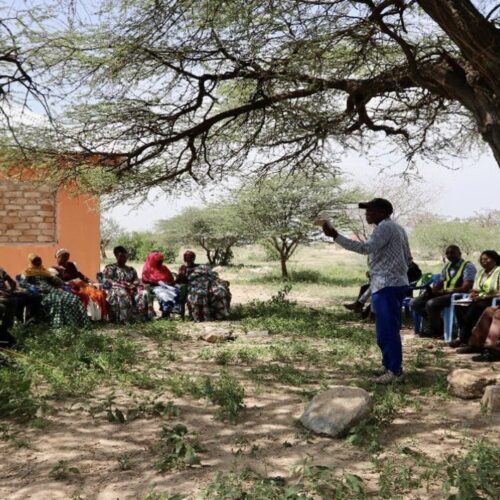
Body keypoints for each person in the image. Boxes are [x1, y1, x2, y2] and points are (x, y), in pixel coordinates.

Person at [322, 198, 412, 384]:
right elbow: (408, 258)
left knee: (388, 330)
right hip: (391, 284)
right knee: (384, 330)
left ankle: (395, 371)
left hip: (387, 286)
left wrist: (335, 236)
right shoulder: (398, 229)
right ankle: (388, 365)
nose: (366, 214)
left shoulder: (384, 228)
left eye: (370, 211)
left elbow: (365, 248)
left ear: (382, 212)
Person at [411, 245, 476, 338]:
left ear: (459, 254)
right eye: (447, 253)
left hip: (459, 295)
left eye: (452, 252)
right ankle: (439, 325)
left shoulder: (468, 266)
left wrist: (444, 291)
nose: (449, 255)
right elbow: (440, 282)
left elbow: (466, 287)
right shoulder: (447, 266)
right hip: (444, 294)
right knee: (415, 303)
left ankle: (434, 330)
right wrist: (433, 291)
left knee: (431, 303)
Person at [20, 254, 90, 329]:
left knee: (73, 298)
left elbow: (54, 280)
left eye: (39, 260)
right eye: (35, 261)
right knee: (58, 300)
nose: (38, 262)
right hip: (40, 292)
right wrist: (36, 288)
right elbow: (22, 283)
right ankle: (59, 326)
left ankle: (77, 324)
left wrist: (64, 284)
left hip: (52, 290)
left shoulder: (44, 270)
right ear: (31, 262)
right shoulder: (27, 272)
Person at [452, 250, 500, 351]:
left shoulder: (498, 271)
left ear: (495, 260)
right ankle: (467, 337)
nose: (483, 261)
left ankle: (464, 338)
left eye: (486, 259)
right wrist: (473, 293)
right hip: (479, 298)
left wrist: (485, 297)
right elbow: (475, 288)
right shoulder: (480, 272)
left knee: (475, 307)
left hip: (493, 299)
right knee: (459, 306)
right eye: (481, 259)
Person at [345, 262, 422, 318]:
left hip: (398, 288)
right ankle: (360, 307)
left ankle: (362, 307)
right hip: (389, 285)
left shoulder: (407, 266)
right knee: (366, 287)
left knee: (377, 289)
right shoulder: (399, 263)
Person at [52, 248, 108, 320]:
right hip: (70, 287)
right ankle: (89, 317)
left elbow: (81, 275)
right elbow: (58, 283)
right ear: (58, 257)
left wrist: (90, 282)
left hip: (81, 284)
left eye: (67, 256)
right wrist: (70, 284)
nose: (66, 258)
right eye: (63, 256)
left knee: (98, 294)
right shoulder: (54, 269)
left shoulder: (72, 265)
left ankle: (100, 317)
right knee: (85, 296)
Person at [175, 250, 231, 322]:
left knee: (220, 291)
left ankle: (221, 315)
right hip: (195, 287)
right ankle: (202, 316)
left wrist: (219, 281)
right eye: (187, 258)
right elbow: (179, 281)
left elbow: (213, 275)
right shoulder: (183, 269)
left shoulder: (202, 267)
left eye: (190, 258)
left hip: (209, 284)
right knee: (200, 293)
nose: (189, 260)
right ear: (184, 259)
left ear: (193, 258)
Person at [103, 246, 153, 323]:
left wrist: (134, 284)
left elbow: (136, 279)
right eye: (121, 256)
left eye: (125, 256)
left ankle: (143, 317)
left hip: (131, 287)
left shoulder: (131, 269)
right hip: (115, 288)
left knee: (144, 293)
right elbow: (107, 279)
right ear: (116, 256)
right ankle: (124, 319)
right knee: (123, 293)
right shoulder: (110, 268)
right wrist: (121, 285)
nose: (124, 258)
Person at [142, 251, 180, 318]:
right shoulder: (147, 269)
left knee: (177, 291)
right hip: (154, 287)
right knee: (163, 294)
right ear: (153, 261)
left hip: (167, 286)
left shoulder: (164, 268)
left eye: (161, 261)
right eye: (158, 261)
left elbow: (170, 278)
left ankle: (172, 310)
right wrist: (156, 283)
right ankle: (165, 311)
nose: (161, 263)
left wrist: (168, 283)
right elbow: (145, 280)